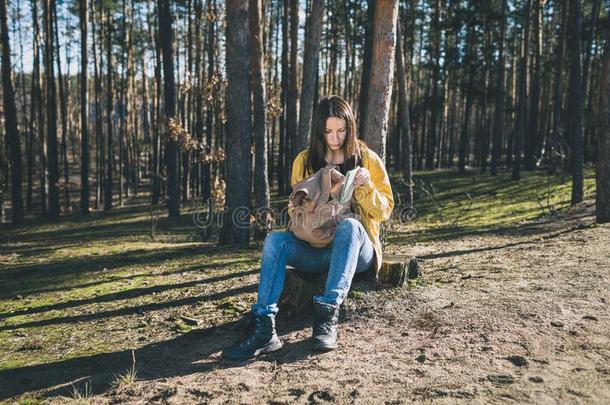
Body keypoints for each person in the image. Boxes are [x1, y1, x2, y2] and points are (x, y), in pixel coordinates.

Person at [222, 95, 394, 360]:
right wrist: (311, 202)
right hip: (314, 250)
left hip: (355, 251)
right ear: (319, 130)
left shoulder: (367, 159)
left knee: (349, 226)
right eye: (328, 131)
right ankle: (264, 328)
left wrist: (366, 186)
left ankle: (327, 317)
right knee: (274, 242)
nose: (335, 138)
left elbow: (384, 211)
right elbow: (294, 211)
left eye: (341, 130)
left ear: (350, 127)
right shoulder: (304, 160)